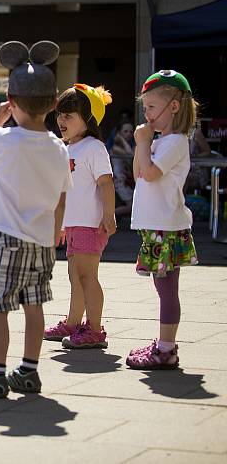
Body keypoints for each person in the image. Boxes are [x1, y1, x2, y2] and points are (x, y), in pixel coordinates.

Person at [0, 41, 70, 398]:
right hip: (41, 239)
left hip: (6, 237)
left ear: (12, 102)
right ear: (53, 105)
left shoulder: (5, 138)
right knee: (34, 304)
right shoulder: (58, 146)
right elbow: (62, 196)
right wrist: (55, 235)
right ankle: (29, 371)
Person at [126, 70, 199, 369]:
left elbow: (152, 173)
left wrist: (144, 143)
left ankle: (167, 349)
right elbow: (137, 174)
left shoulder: (175, 142)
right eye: (145, 108)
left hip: (165, 227)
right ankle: (164, 343)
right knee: (162, 286)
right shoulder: (161, 141)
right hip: (156, 227)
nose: (147, 114)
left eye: (152, 107)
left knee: (167, 288)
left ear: (174, 107)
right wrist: (142, 142)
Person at [43, 84, 116, 349]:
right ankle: (74, 323)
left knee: (87, 277)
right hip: (75, 226)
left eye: (69, 115)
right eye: (60, 114)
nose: (61, 120)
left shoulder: (93, 147)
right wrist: (62, 224)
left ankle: (95, 329)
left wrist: (109, 213)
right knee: (76, 277)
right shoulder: (68, 148)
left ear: (88, 120)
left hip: (90, 225)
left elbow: (106, 183)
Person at [109, 120, 136, 218]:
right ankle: (107, 216)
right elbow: (131, 155)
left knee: (134, 204)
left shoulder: (131, 146)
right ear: (119, 133)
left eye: (131, 131)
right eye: (125, 131)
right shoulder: (116, 148)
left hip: (127, 180)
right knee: (131, 206)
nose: (129, 134)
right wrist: (122, 140)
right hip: (120, 180)